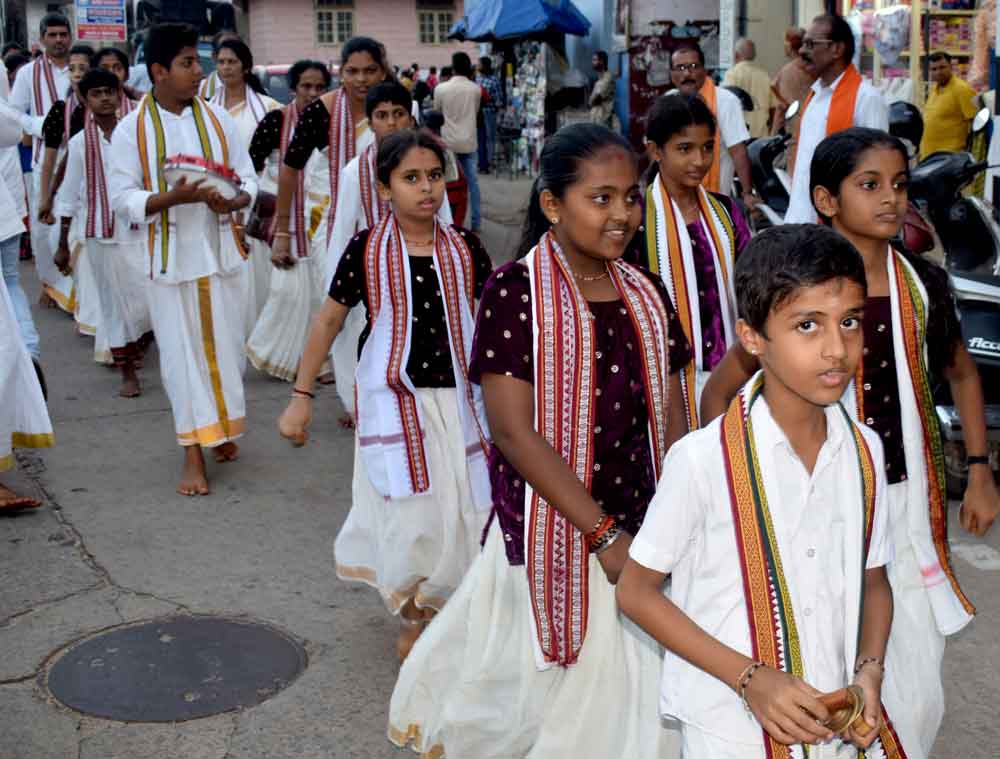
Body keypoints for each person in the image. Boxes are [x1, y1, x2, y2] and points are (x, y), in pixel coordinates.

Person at [388, 123, 691, 759]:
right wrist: (601, 534)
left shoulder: (647, 291)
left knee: (627, 700)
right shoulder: (515, 291)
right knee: (534, 699)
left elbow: (670, 415)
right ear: (553, 204)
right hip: (551, 524)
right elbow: (511, 431)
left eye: (631, 197)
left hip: (640, 521)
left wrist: (680, 511)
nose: (621, 214)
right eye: (601, 198)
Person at [701, 128, 1000, 758]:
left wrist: (978, 469)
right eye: (870, 185)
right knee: (821, 644)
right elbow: (720, 392)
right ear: (826, 200)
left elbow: (963, 373)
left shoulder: (924, 284)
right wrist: (733, 483)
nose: (891, 199)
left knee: (914, 678)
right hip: (821, 500)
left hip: (905, 500)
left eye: (899, 185)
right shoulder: (801, 292)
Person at [618, 223, 896, 759]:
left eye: (850, 322)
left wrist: (869, 672)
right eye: (807, 325)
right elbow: (636, 591)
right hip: (729, 727)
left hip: (830, 715)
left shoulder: (864, 451)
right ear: (751, 338)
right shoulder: (702, 460)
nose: (837, 349)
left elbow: (874, 580)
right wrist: (750, 678)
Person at [278, 129, 493, 660]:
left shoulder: (465, 248)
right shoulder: (367, 249)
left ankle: (456, 607)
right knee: (412, 519)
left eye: (434, 176)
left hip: (461, 404)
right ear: (384, 188)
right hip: (396, 404)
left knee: (464, 511)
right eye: (411, 178)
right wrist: (302, 395)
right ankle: (415, 614)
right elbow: (329, 320)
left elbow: (490, 322)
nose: (426, 188)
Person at [109, 22, 257, 496]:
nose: (198, 71)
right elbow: (122, 197)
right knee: (180, 357)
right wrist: (172, 199)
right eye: (187, 63)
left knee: (228, 353)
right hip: (169, 261)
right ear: (159, 70)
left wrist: (235, 200)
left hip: (222, 252)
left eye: (198, 61)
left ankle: (220, 429)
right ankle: (192, 452)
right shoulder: (132, 129)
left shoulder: (218, 119)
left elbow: (248, 177)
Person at [319, 82, 456, 422]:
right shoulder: (355, 171)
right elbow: (342, 230)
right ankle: (361, 408)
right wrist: (336, 285)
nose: (391, 122)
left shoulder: (428, 163)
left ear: (411, 117)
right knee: (361, 342)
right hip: (370, 273)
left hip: (421, 268)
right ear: (370, 122)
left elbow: (445, 220)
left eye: (399, 114)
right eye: (382, 115)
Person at [637, 94, 751, 430]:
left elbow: (750, 282)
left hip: (730, 371)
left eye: (707, 147)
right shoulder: (638, 220)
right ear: (656, 151)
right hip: (665, 378)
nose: (699, 160)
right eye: (684, 149)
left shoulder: (726, 212)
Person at [53, 69, 150, 397]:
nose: (105, 98)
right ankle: (127, 371)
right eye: (96, 93)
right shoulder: (80, 143)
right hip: (99, 233)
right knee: (113, 305)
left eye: (110, 91)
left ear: (120, 94)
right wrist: (62, 244)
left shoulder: (137, 132)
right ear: (84, 99)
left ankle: (140, 345)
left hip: (139, 230)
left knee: (147, 298)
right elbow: (69, 194)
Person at [271, 36, 384, 303]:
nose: (361, 79)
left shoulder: (395, 107)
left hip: (385, 216)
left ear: (382, 71)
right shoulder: (322, 111)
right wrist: (282, 232)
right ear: (341, 72)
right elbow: (290, 169)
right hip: (329, 217)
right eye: (352, 71)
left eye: (369, 71)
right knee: (336, 296)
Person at [245, 60, 331, 382]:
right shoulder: (276, 121)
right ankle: (272, 353)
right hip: (285, 221)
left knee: (320, 294)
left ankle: (319, 363)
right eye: (306, 86)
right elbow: (250, 165)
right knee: (288, 294)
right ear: (293, 88)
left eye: (319, 87)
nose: (313, 93)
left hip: (321, 218)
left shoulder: (333, 122)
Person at [784, 14, 888, 224]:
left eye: (811, 44)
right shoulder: (814, 96)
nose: (802, 51)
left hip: (841, 226)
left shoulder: (866, 98)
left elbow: (877, 168)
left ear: (837, 49)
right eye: (803, 44)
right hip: (801, 219)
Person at [211, 38, 281, 332]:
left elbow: (279, 156)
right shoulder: (206, 108)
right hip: (217, 195)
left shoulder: (268, 108)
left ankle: (261, 332)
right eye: (221, 62)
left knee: (258, 268)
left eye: (232, 62)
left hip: (258, 195)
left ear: (246, 67)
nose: (226, 68)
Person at [9, 13, 72, 309]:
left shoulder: (81, 66)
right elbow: (13, 112)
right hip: (43, 158)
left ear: (70, 37)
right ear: (43, 38)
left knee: (76, 222)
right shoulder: (28, 73)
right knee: (44, 225)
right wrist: (38, 125)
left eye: (63, 34)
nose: (59, 40)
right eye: (53, 35)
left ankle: (76, 292)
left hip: (80, 156)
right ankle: (51, 285)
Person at [36, 43, 92, 321]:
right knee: (59, 239)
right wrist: (46, 197)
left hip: (102, 190)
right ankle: (76, 300)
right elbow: (51, 160)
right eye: (72, 68)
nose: (77, 73)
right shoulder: (61, 110)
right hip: (71, 188)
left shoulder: (111, 105)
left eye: (83, 68)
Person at [669, 44, 753, 205]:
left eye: (693, 66)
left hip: (714, 201)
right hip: (674, 201)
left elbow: (738, 151)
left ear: (704, 70)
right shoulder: (668, 102)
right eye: (680, 68)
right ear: (672, 75)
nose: (687, 73)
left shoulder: (726, 101)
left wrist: (747, 193)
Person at [434, 52, 481, 232]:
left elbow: (437, 112)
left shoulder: (441, 89)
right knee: (472, 184)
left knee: (446, 185)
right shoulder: (475, 89)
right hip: (468, 141)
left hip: (448, 144)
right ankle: (476, 222)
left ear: (453, 67)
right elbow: (475, 112)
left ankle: (447, 222)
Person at [920, 52, 978, 159]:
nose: (938, 72)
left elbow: (976, 123)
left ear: (951, 67)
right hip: (929, 156)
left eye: (942, 67)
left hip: (950, 158)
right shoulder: (934, 89)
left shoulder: (962, 89)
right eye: (934, 69)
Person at [723, 38, 774, 139]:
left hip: (739, 135)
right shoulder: (765, 75)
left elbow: (727, 105)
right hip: (761, 135)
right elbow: (773, 107)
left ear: (736, 55)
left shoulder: (732, 74)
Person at [771, 27, 815, 136]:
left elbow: (782, 107)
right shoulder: (817, 68)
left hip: (794, 131)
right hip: (815, 125)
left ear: (789, 45)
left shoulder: (786, 72)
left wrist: (773, 136)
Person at [477, 56, 503, 172]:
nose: (478, 66)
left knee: (489, 137)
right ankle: (482, 162)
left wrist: (488, 99)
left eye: (479, 64)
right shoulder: (478, 79)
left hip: (489, 113)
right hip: (478, 113)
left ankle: (489, 161)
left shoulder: (494, 80)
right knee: (480, 138)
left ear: (484, 65)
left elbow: (499, 100)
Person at [199, 29, 240, 101]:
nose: (230, 55)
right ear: (214, 57)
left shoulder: (256, 89)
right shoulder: (198, 90)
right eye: (224, 51)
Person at [589, 49, 619, 131]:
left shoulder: (608, 77)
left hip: (603, 121)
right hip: (596, 120)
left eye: (595, 60)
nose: (592, 62)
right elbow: (591, 101)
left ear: (601, 61)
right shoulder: (599, 80)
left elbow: (596, 99)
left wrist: (592, 101)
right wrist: (591, 101)